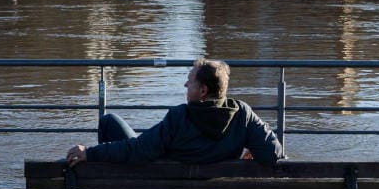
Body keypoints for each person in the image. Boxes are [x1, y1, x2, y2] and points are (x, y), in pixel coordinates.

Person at [65, 58, 283, 166]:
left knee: (109, 121)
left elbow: (139, 149)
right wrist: (252, 150)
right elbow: (273, 152)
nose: (185, 85)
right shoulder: (242, 114)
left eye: (190, 81)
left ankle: (110, 188)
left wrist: (90, 153)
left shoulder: (180, 117)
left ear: (203, 90)